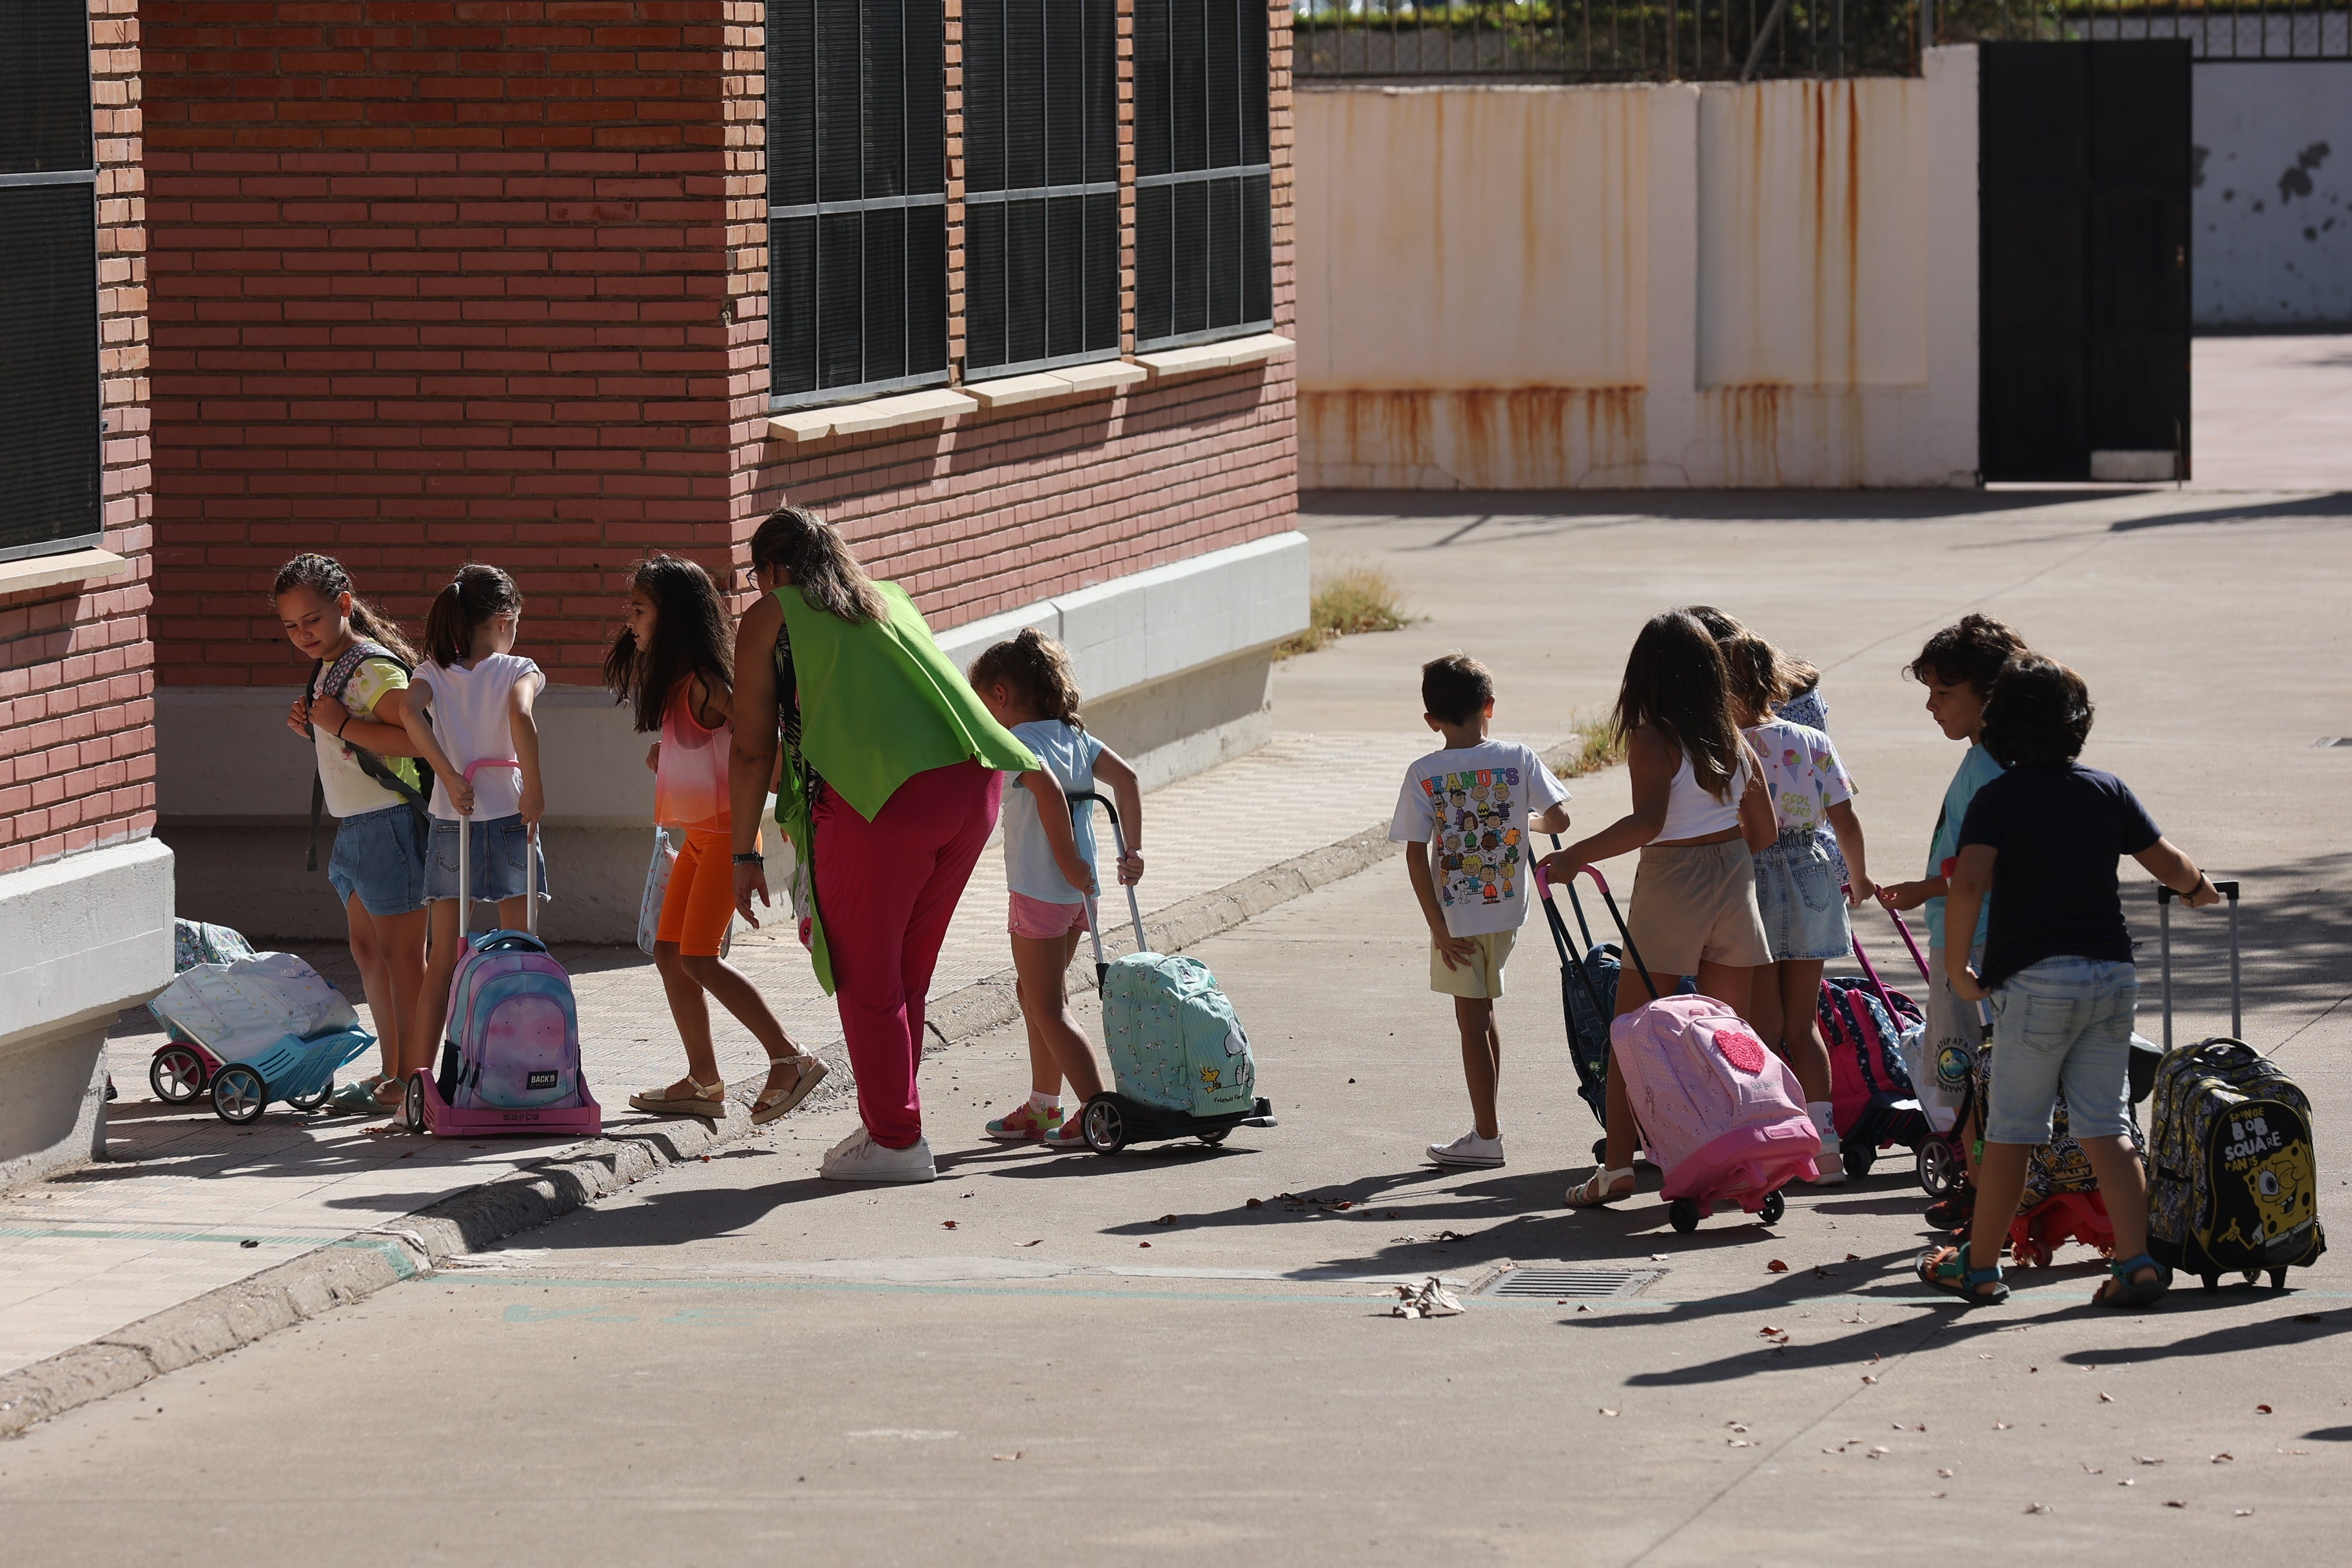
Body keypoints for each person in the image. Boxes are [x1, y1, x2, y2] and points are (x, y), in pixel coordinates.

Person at [729, 507, 1039, 1183]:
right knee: (904, 975)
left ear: (774, 571)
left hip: (880, 799)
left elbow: (752, 749)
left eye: (756, 575)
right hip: (971, 787)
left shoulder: (771, 615)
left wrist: (743, 852)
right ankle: (890, 1124)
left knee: (867, 978)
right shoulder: (887, 596)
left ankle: (897, 1140)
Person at [1917, 654, 2220, 1308]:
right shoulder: (2105, 788)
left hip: (2035, 981)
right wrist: (2199, 891)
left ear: (1999, 727)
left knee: (2013, 1130)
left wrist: (1958, 967)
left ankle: (1979, 1265)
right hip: (2110, 975)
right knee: (2105, 1122)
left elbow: (1967, 881)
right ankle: (2137, 1259)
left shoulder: (1997, 798)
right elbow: (2168, 861)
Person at [1542, 610, 1776, 1207]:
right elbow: (1765, 829)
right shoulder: (1732, 735)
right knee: (1727, 1037)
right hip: (1734, 878)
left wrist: (1575, 858)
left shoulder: (1652, 737)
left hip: (1675, 880)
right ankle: (1736, 1156)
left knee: (1633, 1032)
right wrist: (1723, 857)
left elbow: (1649, 823)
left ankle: (1618, 1166)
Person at [603, 554, 827, 1123]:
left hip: (726, 834)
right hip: (701, 836)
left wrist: (766, 828)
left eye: (638, 609)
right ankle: (703, 1081)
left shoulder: (707, 682)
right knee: (668, 952)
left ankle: (789, 1057)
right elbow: (716, 750)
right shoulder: (683, 682)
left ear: (673, 616)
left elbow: (758, 740)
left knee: (699, 957)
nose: (630, 621)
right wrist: (671, 758)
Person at [1875, 613, 2030, 1228]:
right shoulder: (2000, 760)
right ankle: (1984, 1184)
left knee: (1965, 1066)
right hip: (1982, 939)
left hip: (1973, 944)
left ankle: (1981, 1191)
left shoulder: (1988, 771)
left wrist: (1923, 889)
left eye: (1944, 694)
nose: (1933, 707)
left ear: (1987, 697)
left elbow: (1986, 869)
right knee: (1978, 1068)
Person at [1390, 654, 1573, 1170]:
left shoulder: (1424, 772)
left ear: (1431, 720)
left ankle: (1487, 1137)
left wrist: (1435, 924)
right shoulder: (1519, 757)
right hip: (1509, 910)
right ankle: (1484, 1128)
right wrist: (1522, 820)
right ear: (1489, 706)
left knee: (1471, 1022)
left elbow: (1413, 850)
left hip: (1456, 917)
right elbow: (1558, 817)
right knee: (1486, 1008)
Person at [966, 629, 1146, 1150]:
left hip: (1041, 891)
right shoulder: (1073, 735)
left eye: (985, 704)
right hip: (1078, 897)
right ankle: (1045, 1106)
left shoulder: (1019, 740)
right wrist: (1132, 852)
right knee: (1037, 995)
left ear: (1000, 695)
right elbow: (1128, 779)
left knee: (1048, 1006)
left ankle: (1100, 1113)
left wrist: (1064, 859)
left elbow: (1042, 785)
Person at [275, 554, 431, 1114]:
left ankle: (413, 1079)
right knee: (370, 952)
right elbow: (359, 743)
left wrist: (339, 724)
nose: (303, 635)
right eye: (291, 626)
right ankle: (394, 1073)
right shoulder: (335, 666)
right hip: (359, 830)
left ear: (344, 605)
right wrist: (321, 729)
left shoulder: (370, 668)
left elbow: (417, 739)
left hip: (388, 825)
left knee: (401, 957)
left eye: (312, 620)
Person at [1720, 632, 1874, 1184]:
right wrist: (1855, 880)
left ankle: (1774, 1139)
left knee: (1762, 1024)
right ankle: (1826, 1146)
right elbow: (1847, 820)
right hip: (1812, 869)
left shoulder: (1726, 748)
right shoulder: (1812, 739)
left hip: (1754, 871)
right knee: (1803, 1021)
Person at [393, 564, 552, 1091]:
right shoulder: (516, 667)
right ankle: (527, 1066)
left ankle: (418, 1084)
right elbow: (520, 715)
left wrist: (446, 773)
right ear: (505, 620)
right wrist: (533, 785)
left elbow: (408, 712)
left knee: (442, 957)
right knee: (522, 947)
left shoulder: (432, 673)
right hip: (508, 814)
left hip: (450, 817)